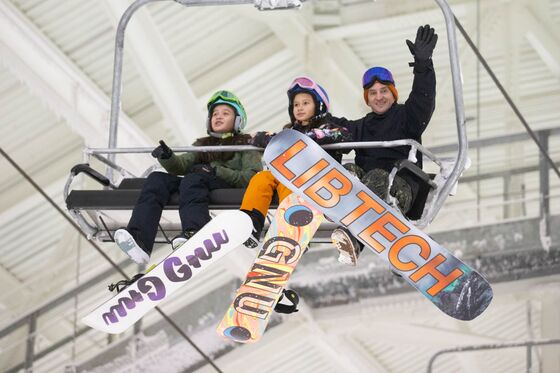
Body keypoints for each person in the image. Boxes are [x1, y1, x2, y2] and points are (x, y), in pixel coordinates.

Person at [331, 24, 438, 266]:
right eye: (373, 93)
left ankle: (363, 236)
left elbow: (424, 99)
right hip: (368, 193)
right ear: (367, 99)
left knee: (377, 176)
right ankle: (355, 235)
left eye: (383, 91)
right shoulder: (360, 127)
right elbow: (332, 130)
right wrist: (308, 117)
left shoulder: (407, 117)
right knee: (346, 173)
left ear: (393, 93)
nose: (379, 97)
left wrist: (423, 66)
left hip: (400, 187)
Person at [114, 90, 262, 265]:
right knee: (157, 179)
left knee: (194, 178)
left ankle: (196, 231)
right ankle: (140, 239)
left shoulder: (246, 145)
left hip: (224, 183)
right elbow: (182, 165)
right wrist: (167, 156)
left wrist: (216, 171)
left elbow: (251, 177)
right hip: (197, 182)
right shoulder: (203, 145)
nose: (218, 117)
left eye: (225, 113)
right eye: (215, 114)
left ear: (237, 120)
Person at [240, 76, 350, 248]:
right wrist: (265, 138)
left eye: (305, 103)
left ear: (318, 105)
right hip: (290, 176)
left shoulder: (328, 127)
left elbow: (343, 135)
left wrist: (303, 138)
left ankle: (294, 229)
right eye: (296, 104)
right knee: (262, 178)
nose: (299, 108)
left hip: (316, 180)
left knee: (289, 183)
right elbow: (263, 140)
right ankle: (251, 223)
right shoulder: (289, 132)